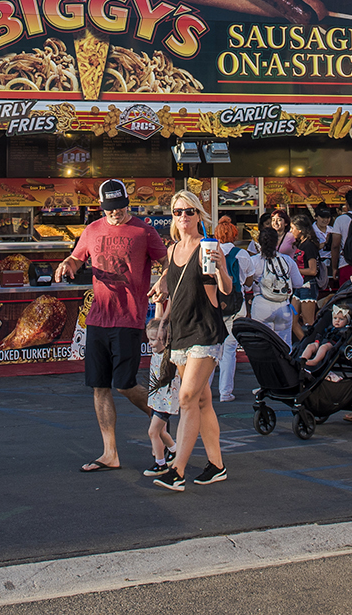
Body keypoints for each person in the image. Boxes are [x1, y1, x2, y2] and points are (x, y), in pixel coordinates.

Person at [57, 179, 167, 474]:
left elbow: (167, 263)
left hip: (129, 318)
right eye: (109, 208)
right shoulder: (92, 229)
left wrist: (164, 281)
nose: (115, 213)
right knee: (99, 386)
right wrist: (68, 263)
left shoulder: (144, 230)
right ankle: (109, 453)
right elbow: (76, 257)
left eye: (119, 207)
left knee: (125, 384)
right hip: (98, 318)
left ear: (127, 203)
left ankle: (163, 424)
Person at [149, 188, 233, 490]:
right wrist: (164, 321)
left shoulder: (207, 246)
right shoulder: (172, 251)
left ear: (199, 214)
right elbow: (174, 291)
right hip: (181, 332)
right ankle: (216, 464)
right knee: (201, 400)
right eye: (177, 212)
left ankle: (178, 469)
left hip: (206, 331)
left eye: (189, 211)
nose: (183, 217)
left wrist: (222, 267)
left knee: (185, 399)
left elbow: (225, 290)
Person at [247, 225, 304, 346]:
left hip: (261, 304)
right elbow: (299, 283)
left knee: (262, 345)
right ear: (277, 241)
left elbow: (246, 286)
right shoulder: (287, 260)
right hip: (283, 306)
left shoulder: (254, 261)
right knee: (284, 345)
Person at [213, 218, 249, 402]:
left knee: (211, 348)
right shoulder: (242, 254)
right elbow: (249, 280)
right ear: (234, 234)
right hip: (237, 304)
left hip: (215, 303)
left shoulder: (210, 253)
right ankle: (225, 393)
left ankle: (203, 389)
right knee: (229, 349)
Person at [142, 319, 179, 480]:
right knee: (162, 432)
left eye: (153, 340)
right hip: (157, 399)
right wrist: (159, 301)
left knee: (153, 431)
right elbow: (160, 322)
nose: (150, 343)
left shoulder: (168, 354)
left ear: (164, 339)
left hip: (166, 400)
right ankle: (174, 450)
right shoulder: (157, 351)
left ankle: (160, 463)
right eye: (149, 339)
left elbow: (165, 329)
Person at [286, 211, 321, 326]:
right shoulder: (300, 244)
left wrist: (294, 271)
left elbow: (312, 270)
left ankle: (312, 343)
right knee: (292, 321)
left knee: (308, 321)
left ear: (300, 229)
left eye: (292, 228)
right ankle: (303, 343)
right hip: (299, 286)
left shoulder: (309, 245)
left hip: (308, 286)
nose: (291, 231)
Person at [297, 303, 352, 370]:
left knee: (323, 347)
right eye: (335, 318)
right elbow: (321, 334)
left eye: (341, 319)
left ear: (347, 322)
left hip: (333, 344)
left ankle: (315, 361)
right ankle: (303, 359)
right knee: (310, 346)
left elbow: (340, 339)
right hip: (322, 342)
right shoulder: (330, 327)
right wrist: (317, 341)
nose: (337, 321)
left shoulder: (343, 330)